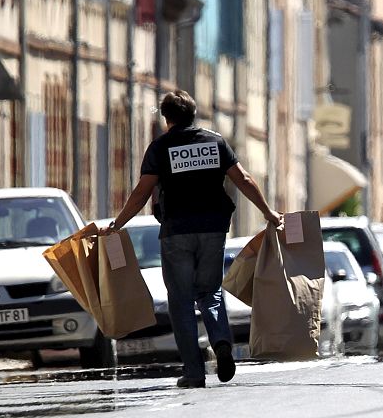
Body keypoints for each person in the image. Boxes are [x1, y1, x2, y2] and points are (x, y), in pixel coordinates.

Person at [104, 90, 282, 388]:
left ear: (167, 117)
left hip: (177, 232)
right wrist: (268, 212)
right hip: (214, 229)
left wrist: (117, 224)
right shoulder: (215, 142)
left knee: (181, 301)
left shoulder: (160, 148)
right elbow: (245, 180)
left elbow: (141, 193)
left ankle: (194, 372)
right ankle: (222, 341)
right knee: (210, 291)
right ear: (193, 114)